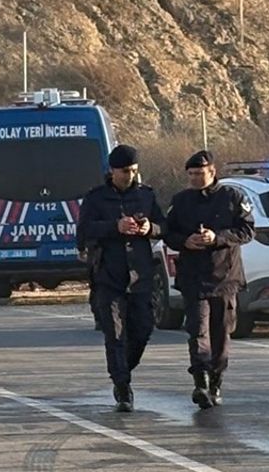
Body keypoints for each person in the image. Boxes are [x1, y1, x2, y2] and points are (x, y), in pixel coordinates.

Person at [77, 144, 166, 412]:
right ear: (112, 171)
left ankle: (122, 368)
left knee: (142, 330)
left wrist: (151, 228)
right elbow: (83, 233)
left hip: (140, 275)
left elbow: (165, 227)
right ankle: (123, 387)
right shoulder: (96, 198)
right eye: (125, 171)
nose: (130, 176)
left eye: (134, 171)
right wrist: (114, 227)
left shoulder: (146, 196)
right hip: (108, 275)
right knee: (115, 333)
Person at [164, 150, 255, 409]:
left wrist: (217, 238)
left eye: (199, 173)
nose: (194, 178)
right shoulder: (180, 201)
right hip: (193, 277)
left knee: (221, 333)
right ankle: (200, 381)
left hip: (224, 276)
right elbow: (168, 233)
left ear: (212, 172)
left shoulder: (232, 197)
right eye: (190, 174)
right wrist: (185, 241)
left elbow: (247, 230)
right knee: (197, 330)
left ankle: (215, 379)